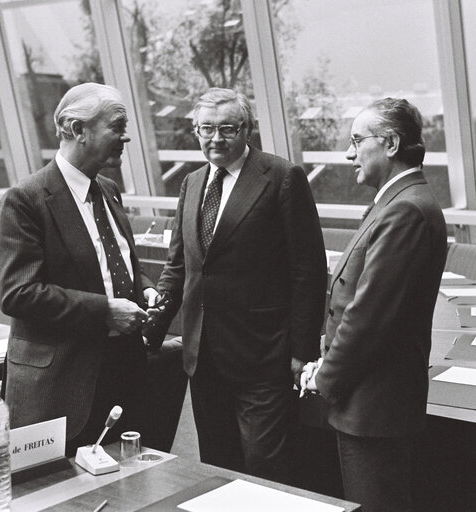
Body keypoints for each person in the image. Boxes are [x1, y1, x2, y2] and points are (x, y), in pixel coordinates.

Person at [147, 87, 327, 482]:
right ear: (195, 130)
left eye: (227, 128)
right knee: (216, 465)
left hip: (262, 355)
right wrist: (151, 331)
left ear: (246, 129)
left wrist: (302, 351)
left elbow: (308, 272)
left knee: (266, 467)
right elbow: (178, 266)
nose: (216, 139)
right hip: (202, 355)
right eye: (206, 129)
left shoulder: (281, 177)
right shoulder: (192, 183)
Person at [0, 82, 159, 455]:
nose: (126, 137)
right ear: (76, 129)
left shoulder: (109, 190)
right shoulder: (26, 199)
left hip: (124, 371)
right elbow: (18, 293)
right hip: (61, 383)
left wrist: (144, 288)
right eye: (116, 126)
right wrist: (105, 311)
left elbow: (122, 262)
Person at [302, 98, 447, 512]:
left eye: (355, 141)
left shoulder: (405, 211)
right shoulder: (398, 202)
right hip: (368, 404)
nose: (349, 154)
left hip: (375, 409)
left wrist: (323, 377)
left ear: (390, 143)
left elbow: (367, 318)